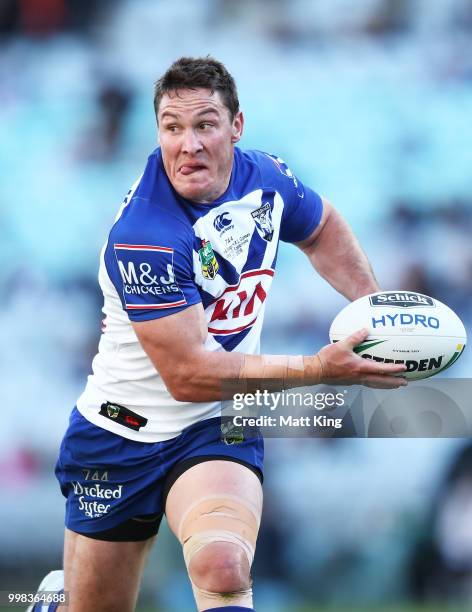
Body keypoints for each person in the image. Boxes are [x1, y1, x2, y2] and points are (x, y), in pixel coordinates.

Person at [29, 56, 406, 612]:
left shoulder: (266, 178)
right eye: (171, 127)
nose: (188, 144)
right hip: (118, 435)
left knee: (223, 566)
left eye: (204, 124)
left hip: (216, 424)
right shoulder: (146, 236)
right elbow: (190, 375)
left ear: (237, 127)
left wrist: (372, 306)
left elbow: (321, 227)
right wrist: (321, 369)